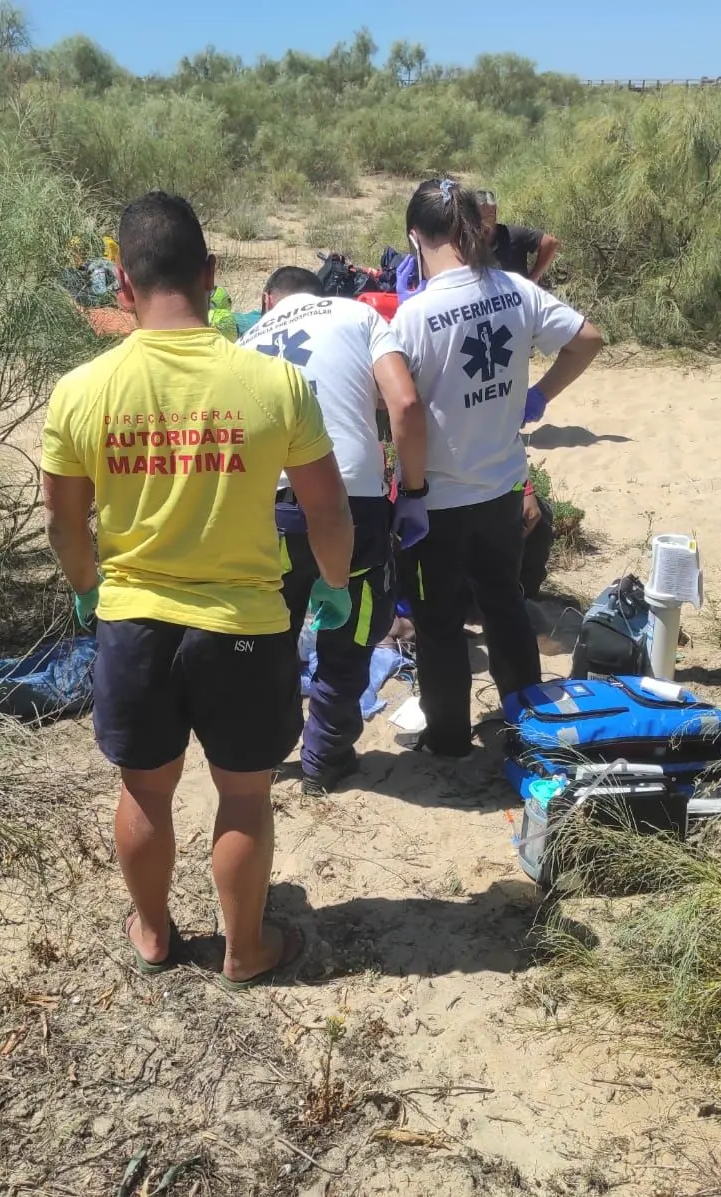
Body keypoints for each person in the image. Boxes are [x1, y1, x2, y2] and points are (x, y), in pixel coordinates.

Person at [42, 192, 355, 989]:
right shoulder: (273, 383)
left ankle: (152, 930)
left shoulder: (81, 391)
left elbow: (66, 526)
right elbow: (327, 509)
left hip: (135, 621)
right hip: (245, 624)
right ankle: (245, 949)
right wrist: (333, 585)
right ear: (211, 275)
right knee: (245, 798)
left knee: (146, 790)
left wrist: (87, 588)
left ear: (122, 284)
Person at [392, 178, 604, 757]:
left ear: (416, 237)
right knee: (504, 604)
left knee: (437, 625)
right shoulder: (515, 290)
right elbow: (588, 337)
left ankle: (450, 739)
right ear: (474, 228)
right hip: (504, 487)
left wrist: (409, 490)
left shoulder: (414, 316)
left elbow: (404, 411)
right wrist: (540, 395)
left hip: (437, 499)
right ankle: (525, 726)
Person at [239, 267, 428, 795]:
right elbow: (405, 404)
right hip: (352, 501)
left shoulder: (247, 338)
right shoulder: (359, 313)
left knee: (271, 635)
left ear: (266, 300)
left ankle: (265, 752)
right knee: (353, 630)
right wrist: (412, 492)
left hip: (269, 506)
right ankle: (325, 757)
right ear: (321, 295)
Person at [476, 189, 560, 284]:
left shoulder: (513, 234)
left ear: (495, 212)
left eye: (488, 217)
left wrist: (533, 279)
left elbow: (550, 243)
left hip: (517, 295)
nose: (483, 223)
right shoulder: (466, 241)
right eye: (478, 218)